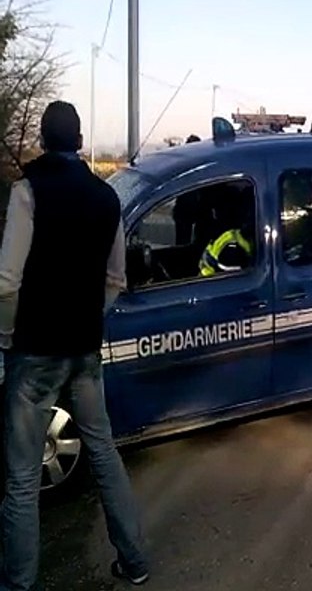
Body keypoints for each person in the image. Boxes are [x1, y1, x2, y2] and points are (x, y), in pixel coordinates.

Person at [0, 101, 149, 589]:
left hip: (33, 354)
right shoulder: (107, 200)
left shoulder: (28, 192)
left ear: (43, 140)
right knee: (104, 452)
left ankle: (18, 584)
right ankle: (134, 561)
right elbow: (116, 279)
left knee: (22, 480)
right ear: (80, 141)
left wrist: (6, 338)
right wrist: (89, 317)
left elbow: (6, 281)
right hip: (84, 352)